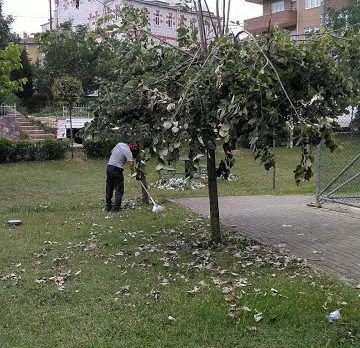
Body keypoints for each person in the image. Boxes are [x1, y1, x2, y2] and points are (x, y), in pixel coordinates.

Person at [105, 142, 139, 212]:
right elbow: (131, 164)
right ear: (131, 144)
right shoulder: (128, 151)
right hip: (116, 170)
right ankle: (116, 208)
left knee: (109, 187)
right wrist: (134, 173)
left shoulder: (119, 144)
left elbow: (112, 152)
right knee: (119, 189)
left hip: (109, 167)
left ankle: (108, 206)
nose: (135, 148)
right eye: (135, 146)